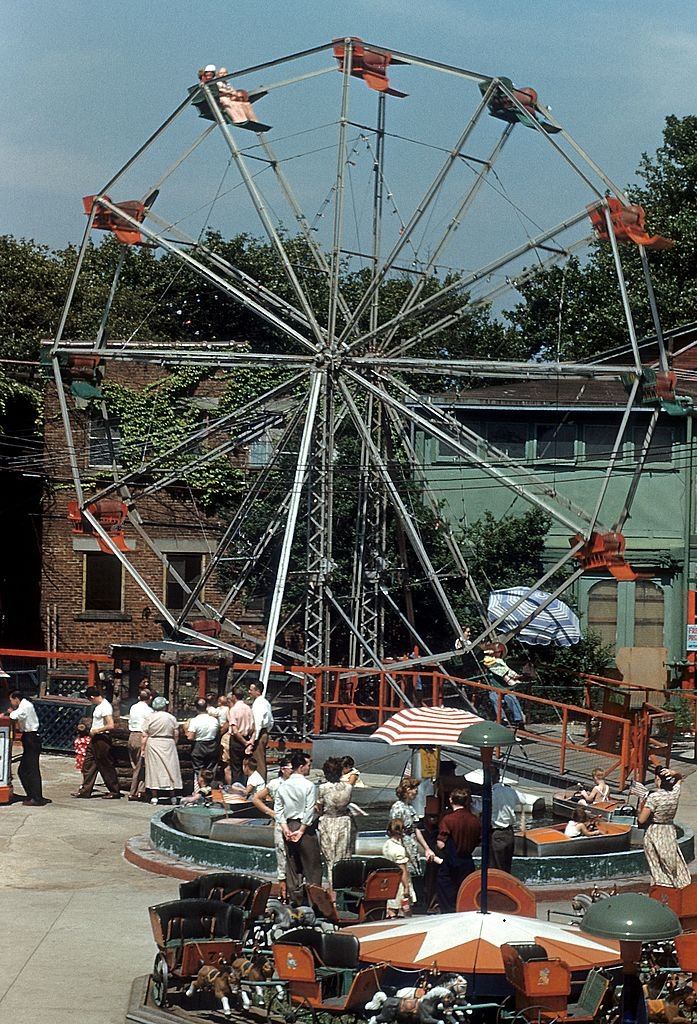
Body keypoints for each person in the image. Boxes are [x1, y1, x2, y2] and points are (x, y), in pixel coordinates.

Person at [273, 751, 322, 904]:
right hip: (304, 827)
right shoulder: (309, 785)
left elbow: (278, 810)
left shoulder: (283, 785)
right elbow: (309, 810)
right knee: (312, 867)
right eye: (308, 765)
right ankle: (314, 903)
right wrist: (301, 831)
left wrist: (285, 829)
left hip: (288, 825)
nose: (310, 768)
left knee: (293, 867)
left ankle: (296, 901)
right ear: (301, 767)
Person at [638, 766, 690, 889]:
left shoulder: (654, 797)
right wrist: (674, 773)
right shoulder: (675, 793)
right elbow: (679, 778)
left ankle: (663, 887)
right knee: (672, 859)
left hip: (656, 831)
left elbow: (642, 819)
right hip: (669, 829)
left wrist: (642, 803)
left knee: (657, 865)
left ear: (658, 780)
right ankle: (679, 885)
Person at [252, 754, 294, 898]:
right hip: (280, 823)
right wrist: (271, 813)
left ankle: (295, 890)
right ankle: (283, 893)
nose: (293, 771)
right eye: (290, 768)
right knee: (281, 855)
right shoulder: (275, 783)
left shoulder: (299, 782)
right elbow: (256, 798)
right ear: (283, 769)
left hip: (295, 822)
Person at [436, 787, 481, 913]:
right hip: (467, 860)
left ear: (451, 800)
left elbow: (441, 844)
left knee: (447, 895)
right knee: (465, 893)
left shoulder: (448, 820)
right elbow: (479, 840)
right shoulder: (474, 820)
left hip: (451, 862)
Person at [72, 687, 121, 799]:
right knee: (88, 764)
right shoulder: (98, 707)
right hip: (94, 739)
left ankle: (114, 790)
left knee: (105, 765)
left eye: (90, 699)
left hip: (102, 738)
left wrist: (97, 730)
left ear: (92, 697)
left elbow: (110, 725)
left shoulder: (105, 707)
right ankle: (85, 790)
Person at [317, 756, 355, 903]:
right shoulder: (348, 787)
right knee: (343, 856)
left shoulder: (323, 788)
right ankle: (341, 891)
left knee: (330, 859)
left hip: (328, 821)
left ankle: (333, 891)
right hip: (343, 821)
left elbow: (319, 806)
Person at [7, 691, 48, 806]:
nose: (12, 703)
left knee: (30, 769)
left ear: (16, 698)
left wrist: (10, 712)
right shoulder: (25, 705)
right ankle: (33, 795)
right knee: (25, 770)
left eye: (11, 700)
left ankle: (36, 797)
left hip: (31, 738)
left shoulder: (25, 705)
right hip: (29, 737)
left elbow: (15, 715)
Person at [389, 779, 435, 879]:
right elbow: (395, 830)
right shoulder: (397, 808)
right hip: (403, 847)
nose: (416, 792)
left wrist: (426, 848)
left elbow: (415, 829)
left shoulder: (410, 808)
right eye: (414, 789)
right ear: (407, 790)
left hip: (411, 846)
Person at [142, 696, 182, 804]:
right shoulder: (171, 718)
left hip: (153, 742)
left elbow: (144, 734)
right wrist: (174, 743)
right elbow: (176, 733)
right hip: (168, 743)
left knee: (154, 770)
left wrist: (143, 749)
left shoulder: (150, 718)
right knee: (171, 769)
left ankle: (155, 796)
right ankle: (172, 795)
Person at [482, 644, 527, 728]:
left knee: (511, 697)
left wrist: (513, 675)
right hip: (494, 688)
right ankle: (502, 719)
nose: (499, 653)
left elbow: (506, 669)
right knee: (494, 697)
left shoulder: (501, 661)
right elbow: (481, 655)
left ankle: (519, 719)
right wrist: (489, 652)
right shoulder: (488, 661)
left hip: (504, 687)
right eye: (498, 652)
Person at [490, 765, 524, 873]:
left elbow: (478, 808)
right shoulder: (510, 791)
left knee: (497, 867)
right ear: (499, 777)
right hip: (509, 833)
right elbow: (523, 800)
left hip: (497, 833)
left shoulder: (491, 794)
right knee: (506, 866)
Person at [382, 819, 417, 917]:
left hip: (390, 881)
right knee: (405, 910)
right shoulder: (399, 849)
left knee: (391, 908)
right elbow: (402, 869)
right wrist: (406, 887)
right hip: (400, 884)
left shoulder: (387, 845)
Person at [186, 697, 220, 792]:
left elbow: (190, 737)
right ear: (206, 707)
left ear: (196, 708)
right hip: (212, 745)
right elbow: (218, 732)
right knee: (211, 771)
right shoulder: (214, 720)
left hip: (199, 746)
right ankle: (211, 791)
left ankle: (200, 791)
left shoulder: (194, 721)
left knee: (199, 771)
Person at [127, 688, 154, 801]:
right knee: (139, 766)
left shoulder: (133, 707)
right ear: (150, 698)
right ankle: (133, 792)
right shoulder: (149, 711)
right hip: (141, 736)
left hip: (131, 736)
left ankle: (141, 790)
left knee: (136, 765)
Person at [226, 686, 254, 786]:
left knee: (236, 767)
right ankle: (246, 787)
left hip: (237, 740)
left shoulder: (233, 710)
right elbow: (253, 727)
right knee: (246, 767)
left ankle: (237, 790)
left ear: (234, 696)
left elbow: (235, 730)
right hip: (247, 738)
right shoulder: (249, 709)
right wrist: (250, 742)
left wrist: (244, 742)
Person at [247, 682, 273, 780]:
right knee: (259, 759)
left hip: (259, 733)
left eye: (251, 690)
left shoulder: (258, 704)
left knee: (258, 761)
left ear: (257, 691)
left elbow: (258, 722)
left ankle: (260, 784)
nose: (249, 692)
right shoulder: (266, 702)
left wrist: (254, 739)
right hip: (264, 732)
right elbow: (271, 721)